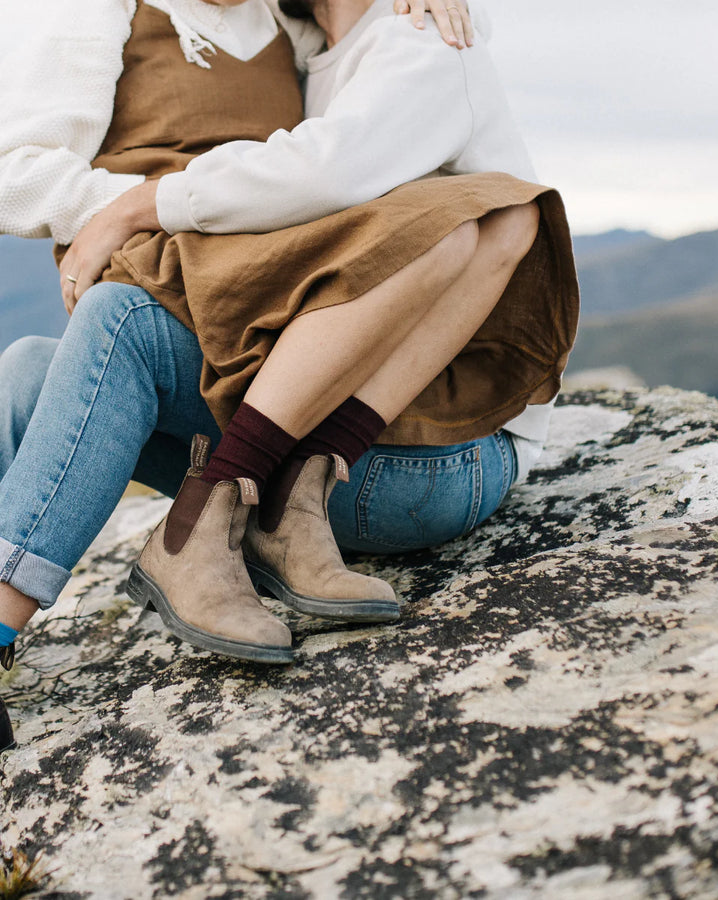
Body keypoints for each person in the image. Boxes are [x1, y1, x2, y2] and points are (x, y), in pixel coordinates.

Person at [0, 0, 578, 749]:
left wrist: (144, 206)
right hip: (316, 408)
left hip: (431, 455)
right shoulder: (307, 42)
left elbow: (328, 167)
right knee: (30, 369)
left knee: (123, 323)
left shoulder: (424, 37)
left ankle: (172, 538)